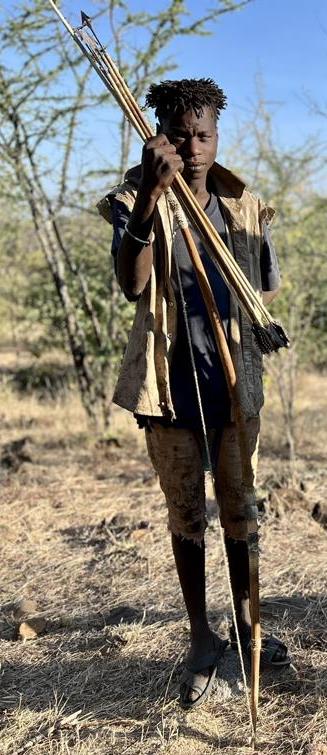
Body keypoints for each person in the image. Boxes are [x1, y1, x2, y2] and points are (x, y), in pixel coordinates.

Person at [97, 78, 290, 710]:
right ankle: (202, 637)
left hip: (235, 384)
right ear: (158, 137)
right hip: (170, 386)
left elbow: (262, 285)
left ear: (216, 136)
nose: (194, 146)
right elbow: (132, 283)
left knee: (241, 508)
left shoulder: (244, 205)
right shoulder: (135, 200)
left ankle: (246, 628)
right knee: (188, 514)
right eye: (180, 135)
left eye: (204, 134)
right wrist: (153, 198)